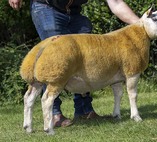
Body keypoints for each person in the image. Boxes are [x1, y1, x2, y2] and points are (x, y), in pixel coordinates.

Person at [9, 0, 139, 127]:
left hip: (74, 12)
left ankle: (84, 110)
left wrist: (141, 24)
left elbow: (116, 2)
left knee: (87, 57)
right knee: (54, 62)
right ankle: (54, 115)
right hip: (47, 7)